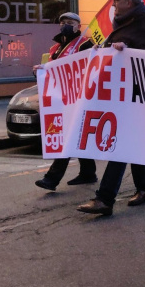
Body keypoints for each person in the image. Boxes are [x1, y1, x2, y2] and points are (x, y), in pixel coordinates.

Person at [77, 0, 145, 216]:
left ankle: (105, 198)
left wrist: (129, 50)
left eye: (117, 0)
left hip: (136, 98)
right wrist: (101, 51)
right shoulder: (122, 25)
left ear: (129, 3)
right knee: (131, 144)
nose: (113, 4)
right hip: (119, 97)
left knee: (121, 145)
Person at [35, 12, 98, 190]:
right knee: (76, 135)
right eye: (63, 22)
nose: (66, 25)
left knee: (69, 137)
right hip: (62, 99)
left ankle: (51, 179)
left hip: (80, 98)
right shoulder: (55, 48)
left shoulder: (85, 44)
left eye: (70, 22)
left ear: (79, 26)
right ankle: (88, 173)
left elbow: (93, 66)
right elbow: (50, 69)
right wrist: (40, 70)